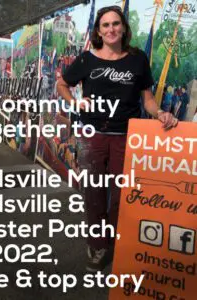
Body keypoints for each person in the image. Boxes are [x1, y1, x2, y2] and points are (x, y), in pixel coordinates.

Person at [56, 5, 177, 272]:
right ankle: (98, 244)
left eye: (115, 24)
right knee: (94, 193)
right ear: (98, 31)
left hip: (126, 136)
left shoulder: (137, 59)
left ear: (123, 28)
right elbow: (61, 84)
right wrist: (76, 102)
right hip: (92, 136)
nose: (111, 29)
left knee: (122, 195)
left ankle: (114, 239)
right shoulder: (87, 59)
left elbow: (147, 99)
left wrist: (161, 114)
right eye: (105, 25)